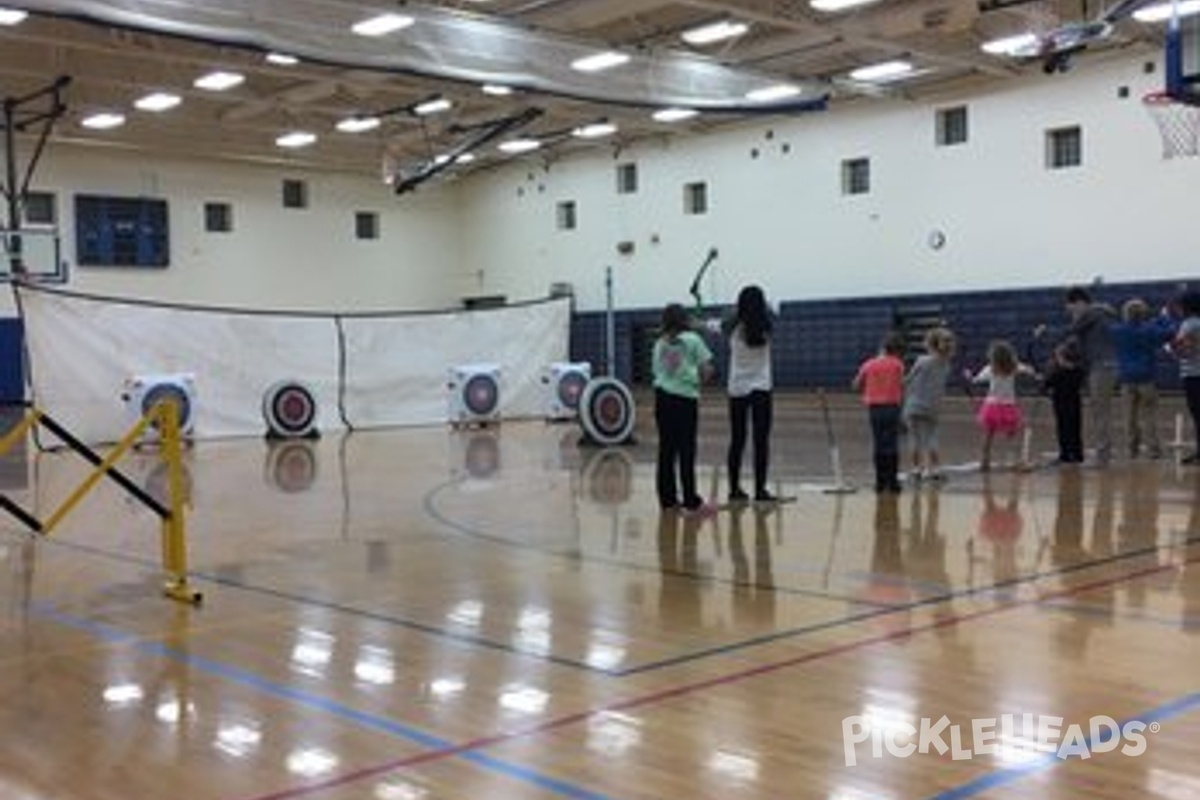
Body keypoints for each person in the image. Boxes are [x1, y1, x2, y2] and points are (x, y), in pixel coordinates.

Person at [653, 302, 716, 514]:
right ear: (684, 320)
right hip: (684, 401)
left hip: (662, 399)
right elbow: (707, 371)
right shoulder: (693, 339)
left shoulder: (660, 343)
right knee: (686, 450)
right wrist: (697, 379)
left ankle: (668, 501)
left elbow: (657, 371)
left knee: (666, 450)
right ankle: (691, 502)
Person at [723, 285, 775, 503]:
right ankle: (760, 490)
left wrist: (738, 308)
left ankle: (734, 489)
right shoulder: (767, 323)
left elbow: (723, 321)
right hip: (761, 387)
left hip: (737, 388)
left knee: (737, 439)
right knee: (761, 441)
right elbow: (770, 310)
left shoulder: (732, 325)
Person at [1111, 297, 1176, 459]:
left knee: (1129, 418)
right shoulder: (1149, 330)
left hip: (1126, 379)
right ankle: (1154, 450)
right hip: (1147, 378)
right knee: (1150, 416)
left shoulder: (1118, 331)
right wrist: (1163, 318)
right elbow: (1171, 332)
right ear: (1143, 314)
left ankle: (1132, 449)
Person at [967, 339, 1037, 471]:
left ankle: (984, 461)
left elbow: (976, 380)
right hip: (1008, 405)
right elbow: (1029, 370)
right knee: (1012, 436)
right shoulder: (1014, 367)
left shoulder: (990, 368)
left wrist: (969, 376)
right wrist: (1032, 371)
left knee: (988, 435)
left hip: (991, 406)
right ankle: (1016, 461)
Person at [852, 331, 906, 493]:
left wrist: (868, 389)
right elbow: (902, 387)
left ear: (882, 347)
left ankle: (880, 482)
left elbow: (855, 385)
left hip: (875, 408)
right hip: (893, 408)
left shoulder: (869, 364)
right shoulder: (898, 364)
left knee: (879, 444)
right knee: (892, 444)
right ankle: (893, 482)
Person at [901, 326, 956, 481]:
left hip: (914, 404)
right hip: (933, 406)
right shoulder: (946, 364)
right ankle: (935, 469)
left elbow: (907, 380)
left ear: (930, 343)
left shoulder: (922, 360)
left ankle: (917, 469)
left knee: (914, 437)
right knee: (931, 438)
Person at [1041, 340, 1085, 465]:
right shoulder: (1079, 371)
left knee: (1063, 429)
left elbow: (1045, 385)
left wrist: (1045, 378)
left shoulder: (1057, 373)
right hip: (1075, 403)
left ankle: (1065, 454)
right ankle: (1077, 454)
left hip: (1061, 404)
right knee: (1075, 429)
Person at [1173, 290, 1200, 465]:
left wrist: (1174, 349)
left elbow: (1186, 352)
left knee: (1198, 415)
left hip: (1193, 375)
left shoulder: (1188, 325)